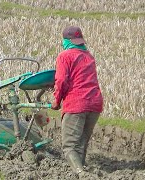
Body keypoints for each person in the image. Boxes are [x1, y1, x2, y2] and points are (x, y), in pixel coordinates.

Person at [51, 26, 103, 174]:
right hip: (95, 103)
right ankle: (80, 171)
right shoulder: (89, 56)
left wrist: (56, 101)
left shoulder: (64, 56)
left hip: (77, 103)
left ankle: (81, 174)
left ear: (65, 41)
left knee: (69, 147)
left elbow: (61, 81)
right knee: (81, 144)